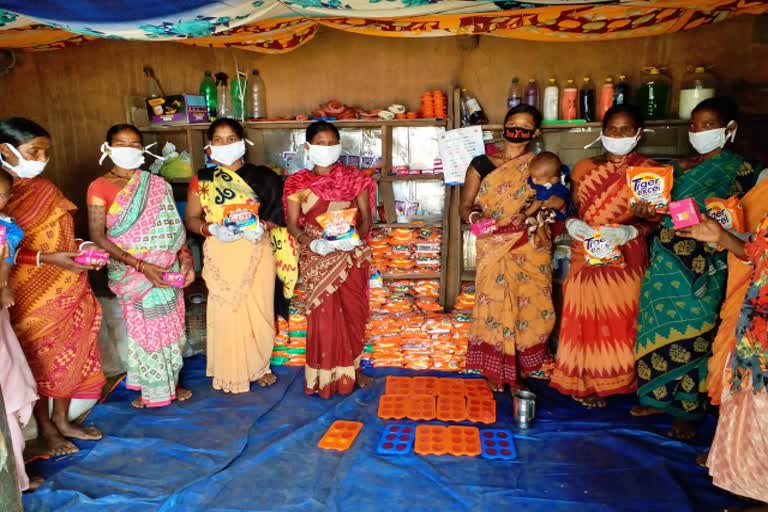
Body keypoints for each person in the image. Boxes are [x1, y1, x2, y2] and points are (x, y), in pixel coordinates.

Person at [631, 97, 756, 440]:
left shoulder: (743, 171)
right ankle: (657, 397)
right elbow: (664, 215)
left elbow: (746, 221)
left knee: (696, 335)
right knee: (653, 328)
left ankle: (687, 410)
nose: (699, 131)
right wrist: (648, 215)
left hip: (706, 264)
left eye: (708, 124)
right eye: (695, 125)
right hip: (665, 261)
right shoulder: (680, 168)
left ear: (729, 129)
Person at [0, 117, 105, 456]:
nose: (42, 157)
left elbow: (61, 232)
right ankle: (45, 427)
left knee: (68, 354)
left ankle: (61, 419)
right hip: (25, 291)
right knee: (37, 360)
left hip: (68, 283)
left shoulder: (44, 189)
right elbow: (7, 252)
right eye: (34, 150)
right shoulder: (2, 193)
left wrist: (82, 249)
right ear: (6, 149)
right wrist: (48, 260)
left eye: (46, 151)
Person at [551, 104, 659, 408]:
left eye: (626, 129)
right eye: (612, 129)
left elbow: (657, 221)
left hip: (625, 255)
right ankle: (584, 381)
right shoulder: (585, 167)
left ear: (638, 134)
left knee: (620, 318)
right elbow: (570, 208)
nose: (618, 135)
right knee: (581, 316)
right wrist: (571, 223)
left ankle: (613, 381)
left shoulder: (649, 171)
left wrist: (631, 231)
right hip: (585, 251)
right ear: (602, 132)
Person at [86, 124, 194, 408]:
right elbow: (98, 235)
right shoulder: (99, 187)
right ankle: (152, 388)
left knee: (172, 329)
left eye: (135, 144)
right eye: (121, 144)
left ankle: (172, 381)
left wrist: (185, 258)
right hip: (134, 274)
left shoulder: (158, 184)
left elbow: (175, 229)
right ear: (107, 148)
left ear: (143, 149)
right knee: (145, 331)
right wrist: (140, 265)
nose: (129, 150)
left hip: (167, 270)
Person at [460, 105, 559, 393]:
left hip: (530, 246)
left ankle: (520, 370)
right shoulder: (481, 164)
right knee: (494, 305)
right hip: (493, 245)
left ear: (535, 132)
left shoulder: (542, 165)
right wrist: (475, 217)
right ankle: (494, 369)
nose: (517, 131)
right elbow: (463, 207)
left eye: (525, 126)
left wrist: (541, 211)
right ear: (503, 127)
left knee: (532, 309)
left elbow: (559, 200)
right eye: (512, 124)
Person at [185, 118, 283, 393]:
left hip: (256, 250)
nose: (225, 144)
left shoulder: (265, 176)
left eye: (231, 139)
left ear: (243, 142)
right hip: (221, 252)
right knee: (226, 311)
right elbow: (192, 219)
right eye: (218, 139)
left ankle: (259, 366)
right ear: (209, 146)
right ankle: (229, 370)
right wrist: (211, 228)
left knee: (259, 309)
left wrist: (261, 227)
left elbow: (277, 215)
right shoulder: (203, 179)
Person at [676, 213, 767, 507]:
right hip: (756, 327)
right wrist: (722, 238)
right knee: (754, 408)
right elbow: (755, 252)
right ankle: (755, 483)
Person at [284, 121, 375, 398]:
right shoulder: (296, 183)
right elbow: (291, 224)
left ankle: (353, 370)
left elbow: (367, 216)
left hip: (350, 256)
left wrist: (355, 238)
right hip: (318, 254)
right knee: (324, 317)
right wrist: (312, 243)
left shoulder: (356, 179)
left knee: (354, 313)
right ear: (307, 147)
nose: (326, 148)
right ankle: (323, 376)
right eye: (320, 143)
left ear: (339, 146)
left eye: (331, 143)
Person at [0, 167, 41, 491]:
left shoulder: (6, 229)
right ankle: (15, 481)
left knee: (10, 383)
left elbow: (6, 263)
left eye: (3, 196)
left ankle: (17, 479)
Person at [519, 151, 571, 245]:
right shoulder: (547, 179)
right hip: (544, 202)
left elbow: (538, 202)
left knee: (538, 215)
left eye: (536, 178)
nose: (533, 180)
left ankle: (543, 237)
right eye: (532, 176)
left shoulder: (554, 190)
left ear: (553, 179)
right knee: (529, 203)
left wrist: (526, 213)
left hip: (558, 213)